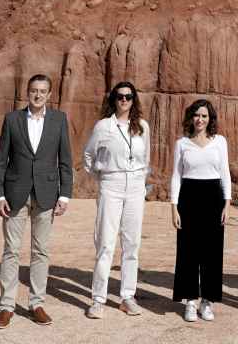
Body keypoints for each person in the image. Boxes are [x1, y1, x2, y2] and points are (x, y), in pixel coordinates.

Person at [0, 74, 73, 330]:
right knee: (11, 250)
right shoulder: (12, 119)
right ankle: (6, 306)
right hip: (15, 194)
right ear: (27, 93)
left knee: (40, 251)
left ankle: (36, 303)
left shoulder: (59, 120)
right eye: (34, 90)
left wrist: (65, 194)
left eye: (43, 91)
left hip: (47, 194)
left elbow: (65, 161)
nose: (38, 95)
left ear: (50, 94)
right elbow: (1, 159)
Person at [83, 81, 151, 319]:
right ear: (113, 99)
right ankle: (98, 299)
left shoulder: (142, 126)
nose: (124, 100)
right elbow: (89, 155)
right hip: (110, 184)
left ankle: (127, 296)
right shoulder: (103, 126)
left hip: (134, 186)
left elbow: (146, 159)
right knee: (105, 243)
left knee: (132, 244)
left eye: (129, 96)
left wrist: (140, 183)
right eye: (120, 96)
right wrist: (102, 177)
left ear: (134, 100)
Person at [170, 99, 231, 322]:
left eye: (204, 116)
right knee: (187, 251)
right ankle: (190, 300)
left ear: (210, 119)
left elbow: (225, 173)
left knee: (212, 252)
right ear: (191, 117)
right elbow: (176, 176)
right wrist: (174, 208)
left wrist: (227, 203)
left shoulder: (220, 142)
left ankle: (207, 301)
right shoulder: (182, 144)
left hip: (213, 198)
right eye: (196, 115)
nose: (200, 119)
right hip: (188, 198)